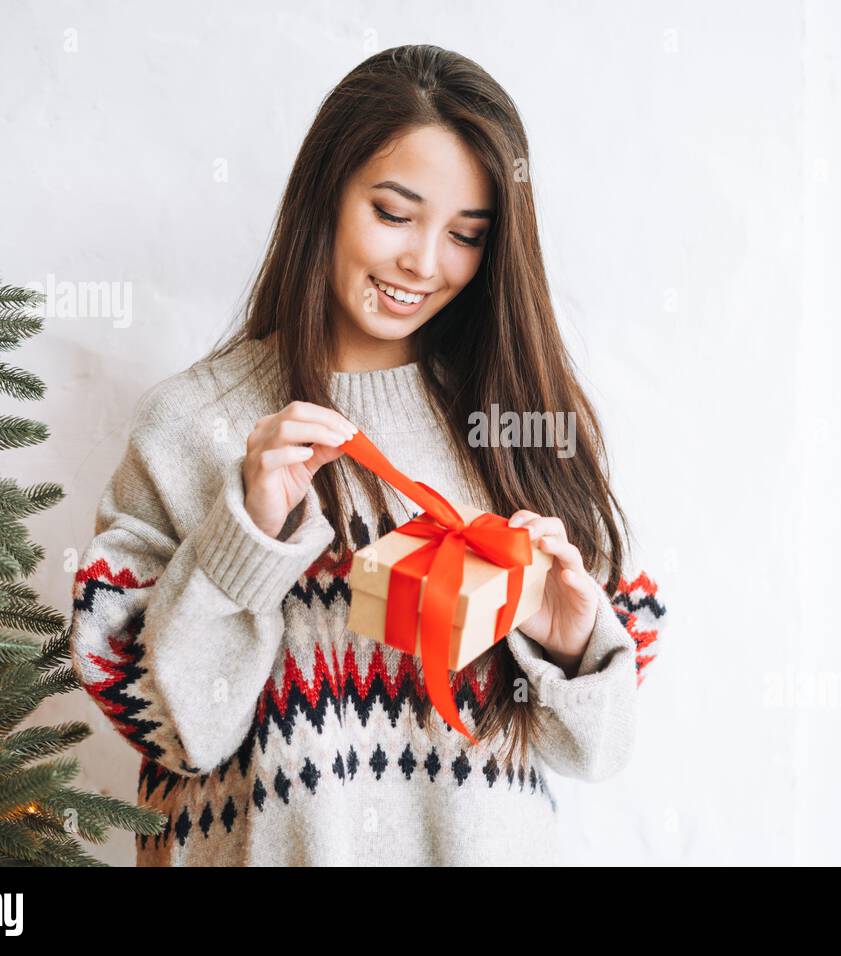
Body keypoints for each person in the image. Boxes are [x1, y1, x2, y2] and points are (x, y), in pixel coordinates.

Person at [69, 44, 666, 865]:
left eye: (465, 234)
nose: (424, 262)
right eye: (393, 214)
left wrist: (567, 646)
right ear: (326, 195)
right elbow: (177, 734)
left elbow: (594, 751)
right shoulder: (193, 426)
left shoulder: (520, 425)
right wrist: (243, 542)